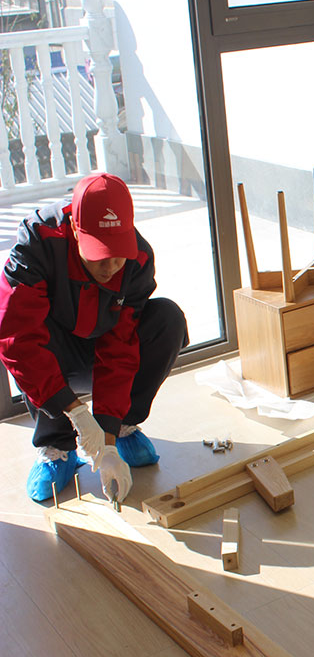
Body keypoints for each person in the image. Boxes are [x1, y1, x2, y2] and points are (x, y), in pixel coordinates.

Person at [0, 173, 188, 503]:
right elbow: (17, 339)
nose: (111, 266)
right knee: (30, 333)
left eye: (118, 253)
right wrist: (75, 412)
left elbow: (120, 347)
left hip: (99, 346)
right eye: (99, 254)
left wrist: (108, 439)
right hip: (56, 353)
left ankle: (122, 427)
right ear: (75, 228)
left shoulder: (138, 258)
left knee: (167, 318)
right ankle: (57, 445)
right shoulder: (37, 245)